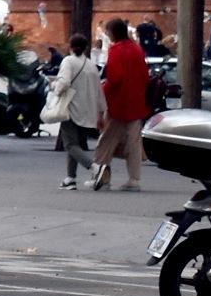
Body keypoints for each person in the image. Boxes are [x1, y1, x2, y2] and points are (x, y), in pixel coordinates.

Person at [95, 17, 152, 191]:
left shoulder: (116, 50)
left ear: (113, 33)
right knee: (134, 142)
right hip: (136, 102)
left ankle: (100, 175)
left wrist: (103, 92)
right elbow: (144, 75)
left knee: (107, 140)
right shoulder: (136, 48)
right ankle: (134, 179)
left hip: (118, 102)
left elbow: (115, 78)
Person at [51, 32, 104, 190]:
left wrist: (54, 87)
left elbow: (64, 83)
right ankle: (70, 178)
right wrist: (101, 111)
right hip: (86, 110)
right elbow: (99, 90)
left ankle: (94, 167)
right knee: (76, 144)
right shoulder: (90, 65)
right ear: (86, 47)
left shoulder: (68, 61)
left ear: (70, 46)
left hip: (70, 107)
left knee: (70, 144)